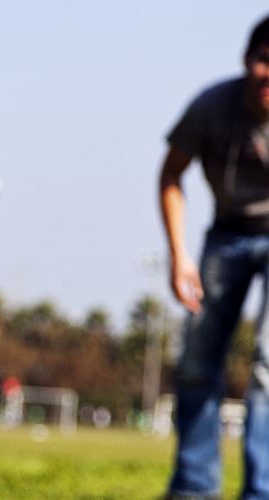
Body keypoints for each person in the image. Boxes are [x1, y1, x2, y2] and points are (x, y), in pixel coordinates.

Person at [159, 15, 269, 500]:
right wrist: (180, 254)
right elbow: (171, 176)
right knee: (198, 359)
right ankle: (194, 486)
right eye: (266, 61)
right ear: (248, 60)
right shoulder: (213, 107)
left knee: (268, 365)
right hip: (225, 236)